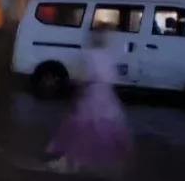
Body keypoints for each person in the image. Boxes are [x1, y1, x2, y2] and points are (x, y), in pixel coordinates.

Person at [46, 29, 132, 173]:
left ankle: (74, 160)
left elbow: (83, 79)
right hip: (106, 97)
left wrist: (77, 96)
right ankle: (99, 161)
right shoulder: (108, 56)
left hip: (93, 96)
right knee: (105, 128)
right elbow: (112, 78)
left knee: (82, 127)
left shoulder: (89, 55)